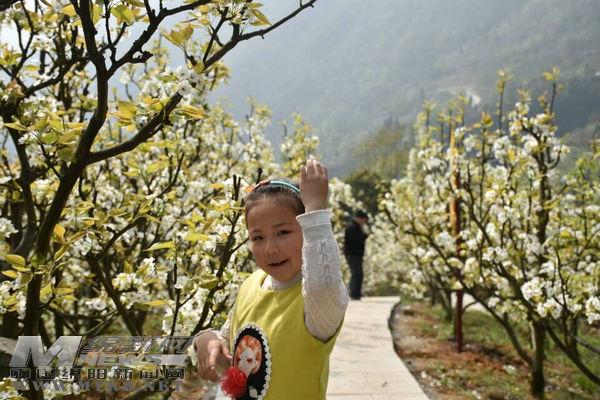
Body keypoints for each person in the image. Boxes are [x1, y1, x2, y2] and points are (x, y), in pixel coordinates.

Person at [194, 157, 349, 400]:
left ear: (306, 229)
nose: (270, 248)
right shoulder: (251, 285)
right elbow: (228, 347)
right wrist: (206, 340)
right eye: (258, 237)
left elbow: (324, 285)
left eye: (283, 232)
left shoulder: (316, 305)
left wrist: (316, 209)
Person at [343, 210, 368, 300]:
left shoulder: (356, 227)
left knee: (358, 274)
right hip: (352, 254)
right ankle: (354, 294)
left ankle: (356, 294)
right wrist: (364, 236)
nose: (364, 223)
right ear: (359, 218)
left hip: (356, 255)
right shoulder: (352, 227)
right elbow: (355, 241)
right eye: (364, 220)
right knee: (356, 274)